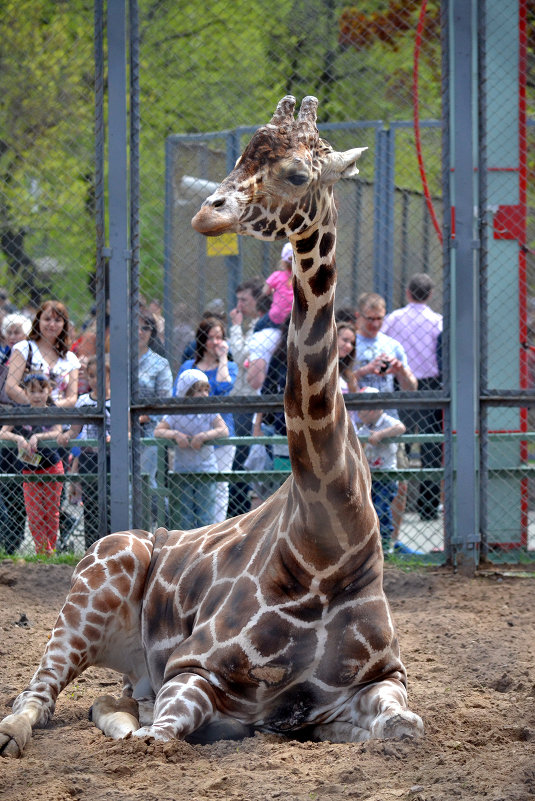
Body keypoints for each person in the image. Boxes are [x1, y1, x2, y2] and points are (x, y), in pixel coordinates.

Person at [1, 301, 80, 553]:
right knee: (23, 496)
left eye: (58, 320)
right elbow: (11, 387)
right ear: (38, 321)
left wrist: (49, 408)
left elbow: (73, 396)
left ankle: (51, 549)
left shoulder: (70, 358)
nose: (52, 324)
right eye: (47, 319)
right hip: (26, 430)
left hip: (56, 432)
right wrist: (35, 408)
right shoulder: (25, 348)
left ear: (64, 325)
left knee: (52, 499)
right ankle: (17, 549)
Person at [354, 292, 417, 552]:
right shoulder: (350, 344)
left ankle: (391, 541)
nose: (375, 325)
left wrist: (400, 370)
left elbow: (411, 387)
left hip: (389, 423)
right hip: (358, 424)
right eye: (370, 319)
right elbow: (339, 381)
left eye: (380, 319)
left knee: (397, 484)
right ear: (359, 316)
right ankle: (361, 543)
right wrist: (366, 370)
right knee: (358, 487)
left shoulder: (391, 344)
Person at [382, 273, 443, 520]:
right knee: (430, 446)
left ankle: (395, 503)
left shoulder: (394, 318)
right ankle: (428, 508)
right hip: (429, 385)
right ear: (429, 294)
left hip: (401, 381)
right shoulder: (437, 321)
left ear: (408, 292)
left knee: (397, 444)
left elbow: (383, 341)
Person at [175, 317, 237, 523]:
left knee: (219, 486)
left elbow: (223, 387)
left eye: (219, 337)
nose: (216, 342)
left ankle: (216, 528)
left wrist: (222, 359)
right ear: (202, 340)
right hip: (190, 433)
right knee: (191, 485)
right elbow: (179, 395)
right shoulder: (188, 366)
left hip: (219, 433)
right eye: (211, 338)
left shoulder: (229, 366)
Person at [155, 369, 228, 530]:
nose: (204, 395)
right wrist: (175, 434)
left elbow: (224, 430)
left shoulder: (209, 411)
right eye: (198, 391)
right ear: (186, 392)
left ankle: (206, 549)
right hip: (183, 472)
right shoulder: (176, 412)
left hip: (206, 470)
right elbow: (158, 431)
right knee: (183, 517)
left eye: (206, 390)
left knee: (205, 515)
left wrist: (204, 436)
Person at [0, 374, 63, 555]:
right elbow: (3, 433)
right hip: (29, 469)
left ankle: (49, 550)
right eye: (32, 391)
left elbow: (57, 432)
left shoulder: (52, 410)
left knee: (51, 513)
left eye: (41, 390)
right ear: (26, 393)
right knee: (35, 515)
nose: (37, 395)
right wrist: (18, 438)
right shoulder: (20, 411)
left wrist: (38, 437)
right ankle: (42, 551)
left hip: (52, 467)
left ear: (48, 391)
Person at [57, 355, 111, 549]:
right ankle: (92, 547)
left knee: (112, 503)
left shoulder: (118, 401)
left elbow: (127, 430)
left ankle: (113, 546)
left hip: (112, 457)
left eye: (101, 376)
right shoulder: (83, 401)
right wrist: (66, 435)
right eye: (92, 376)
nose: (96, 380)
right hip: (89, 458)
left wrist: (114, 439)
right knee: (91, 505)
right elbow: (75, 429)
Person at [227, 278, 264, 516]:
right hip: (240, 398)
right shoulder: (252, 326)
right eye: (238, 299)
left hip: (251, 401)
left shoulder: (261, 327)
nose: (239, 305)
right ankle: (235, 511)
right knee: (238, 456)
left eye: (244, 300)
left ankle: (240, 512)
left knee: (244, 457)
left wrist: (234, 327)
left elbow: (243, 357)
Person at [357, 387, 406, 555]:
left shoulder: (387, 421)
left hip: (386, 476)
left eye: (363, 408)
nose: (359, 412)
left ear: (375, 408)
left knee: (382, 508)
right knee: (368, 510)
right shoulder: (363, 428)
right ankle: (370, 544)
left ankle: (385, 543)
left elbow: (401, 427)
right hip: (370, 478)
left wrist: (381, 434)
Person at [137, 312, 173, 523]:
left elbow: (164, 402)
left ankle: (167, 527)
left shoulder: (160, 364)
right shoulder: (118, 359)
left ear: (152, 332)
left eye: (145, 328)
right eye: (136, 327)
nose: (140, 332)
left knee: (147, 481)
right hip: (118, 429)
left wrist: (143, 417)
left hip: (149, 430)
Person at [254, 242, 293, 331]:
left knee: (257, 327)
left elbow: (265, 291)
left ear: (283, 262)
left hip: (277, 316)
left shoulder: (277, 275)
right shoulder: (301, 280)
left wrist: (273, 291)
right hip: (293, 317)